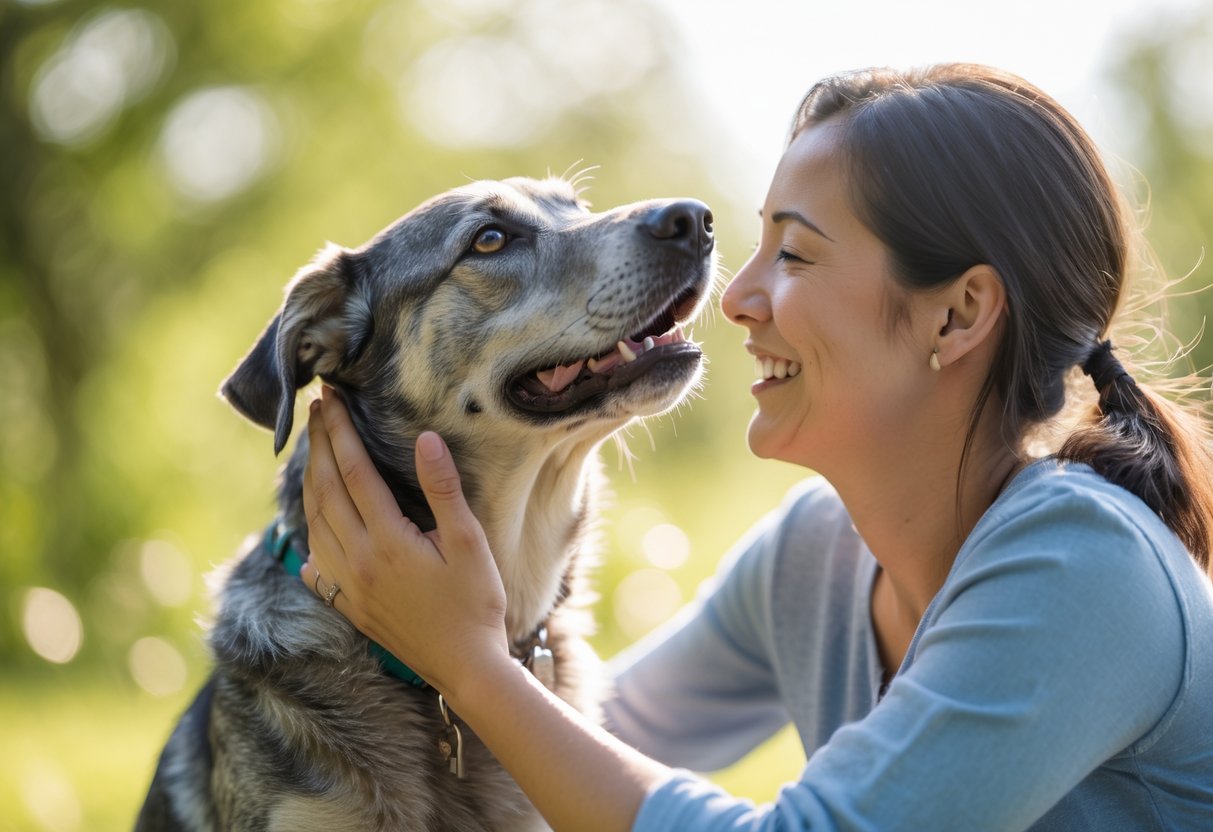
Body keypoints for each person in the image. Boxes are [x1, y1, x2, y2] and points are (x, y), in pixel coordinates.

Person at [299, 64, 1213, 830]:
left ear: (958, 312)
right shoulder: (814, 558)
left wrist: (471, 665)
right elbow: (590, 747)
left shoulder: (1084, 569)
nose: (733, 297)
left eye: (795, 256)